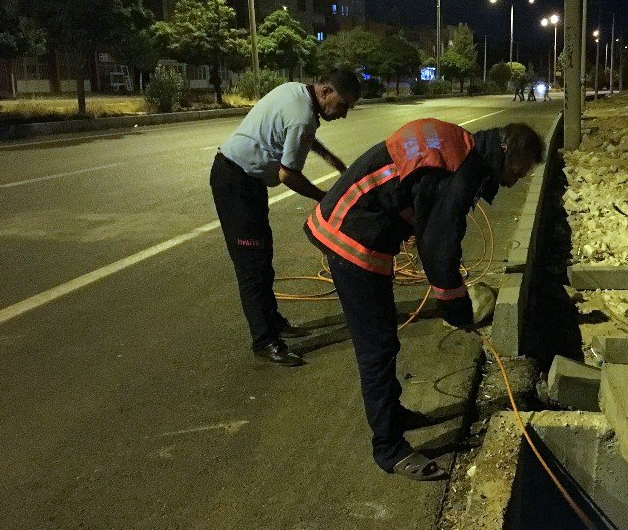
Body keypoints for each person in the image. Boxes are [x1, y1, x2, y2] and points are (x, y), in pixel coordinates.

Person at [304, 118, 543, 480]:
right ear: (505, 152)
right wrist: (456, 306)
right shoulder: (459, 170)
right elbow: (437, 246)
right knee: (377, 348)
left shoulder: (462, 146)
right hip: (352, 236)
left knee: (385, 338)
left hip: (359, 226)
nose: (514, 181)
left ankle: (391, 412)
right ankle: (389, 448)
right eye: (517, 171)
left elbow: (428, 210)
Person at [211, 70, 361, 367]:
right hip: (235, 184)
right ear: (327, 92)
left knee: (262, 257)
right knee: (252, 266)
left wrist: (331, 159)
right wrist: (324, 198)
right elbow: (287, 174)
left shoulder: (297, 92)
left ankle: (274, 322)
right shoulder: (303, 116)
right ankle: (265, 340)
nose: (343, 114)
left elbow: (300, 137)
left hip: (246, 181)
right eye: (343, 105)